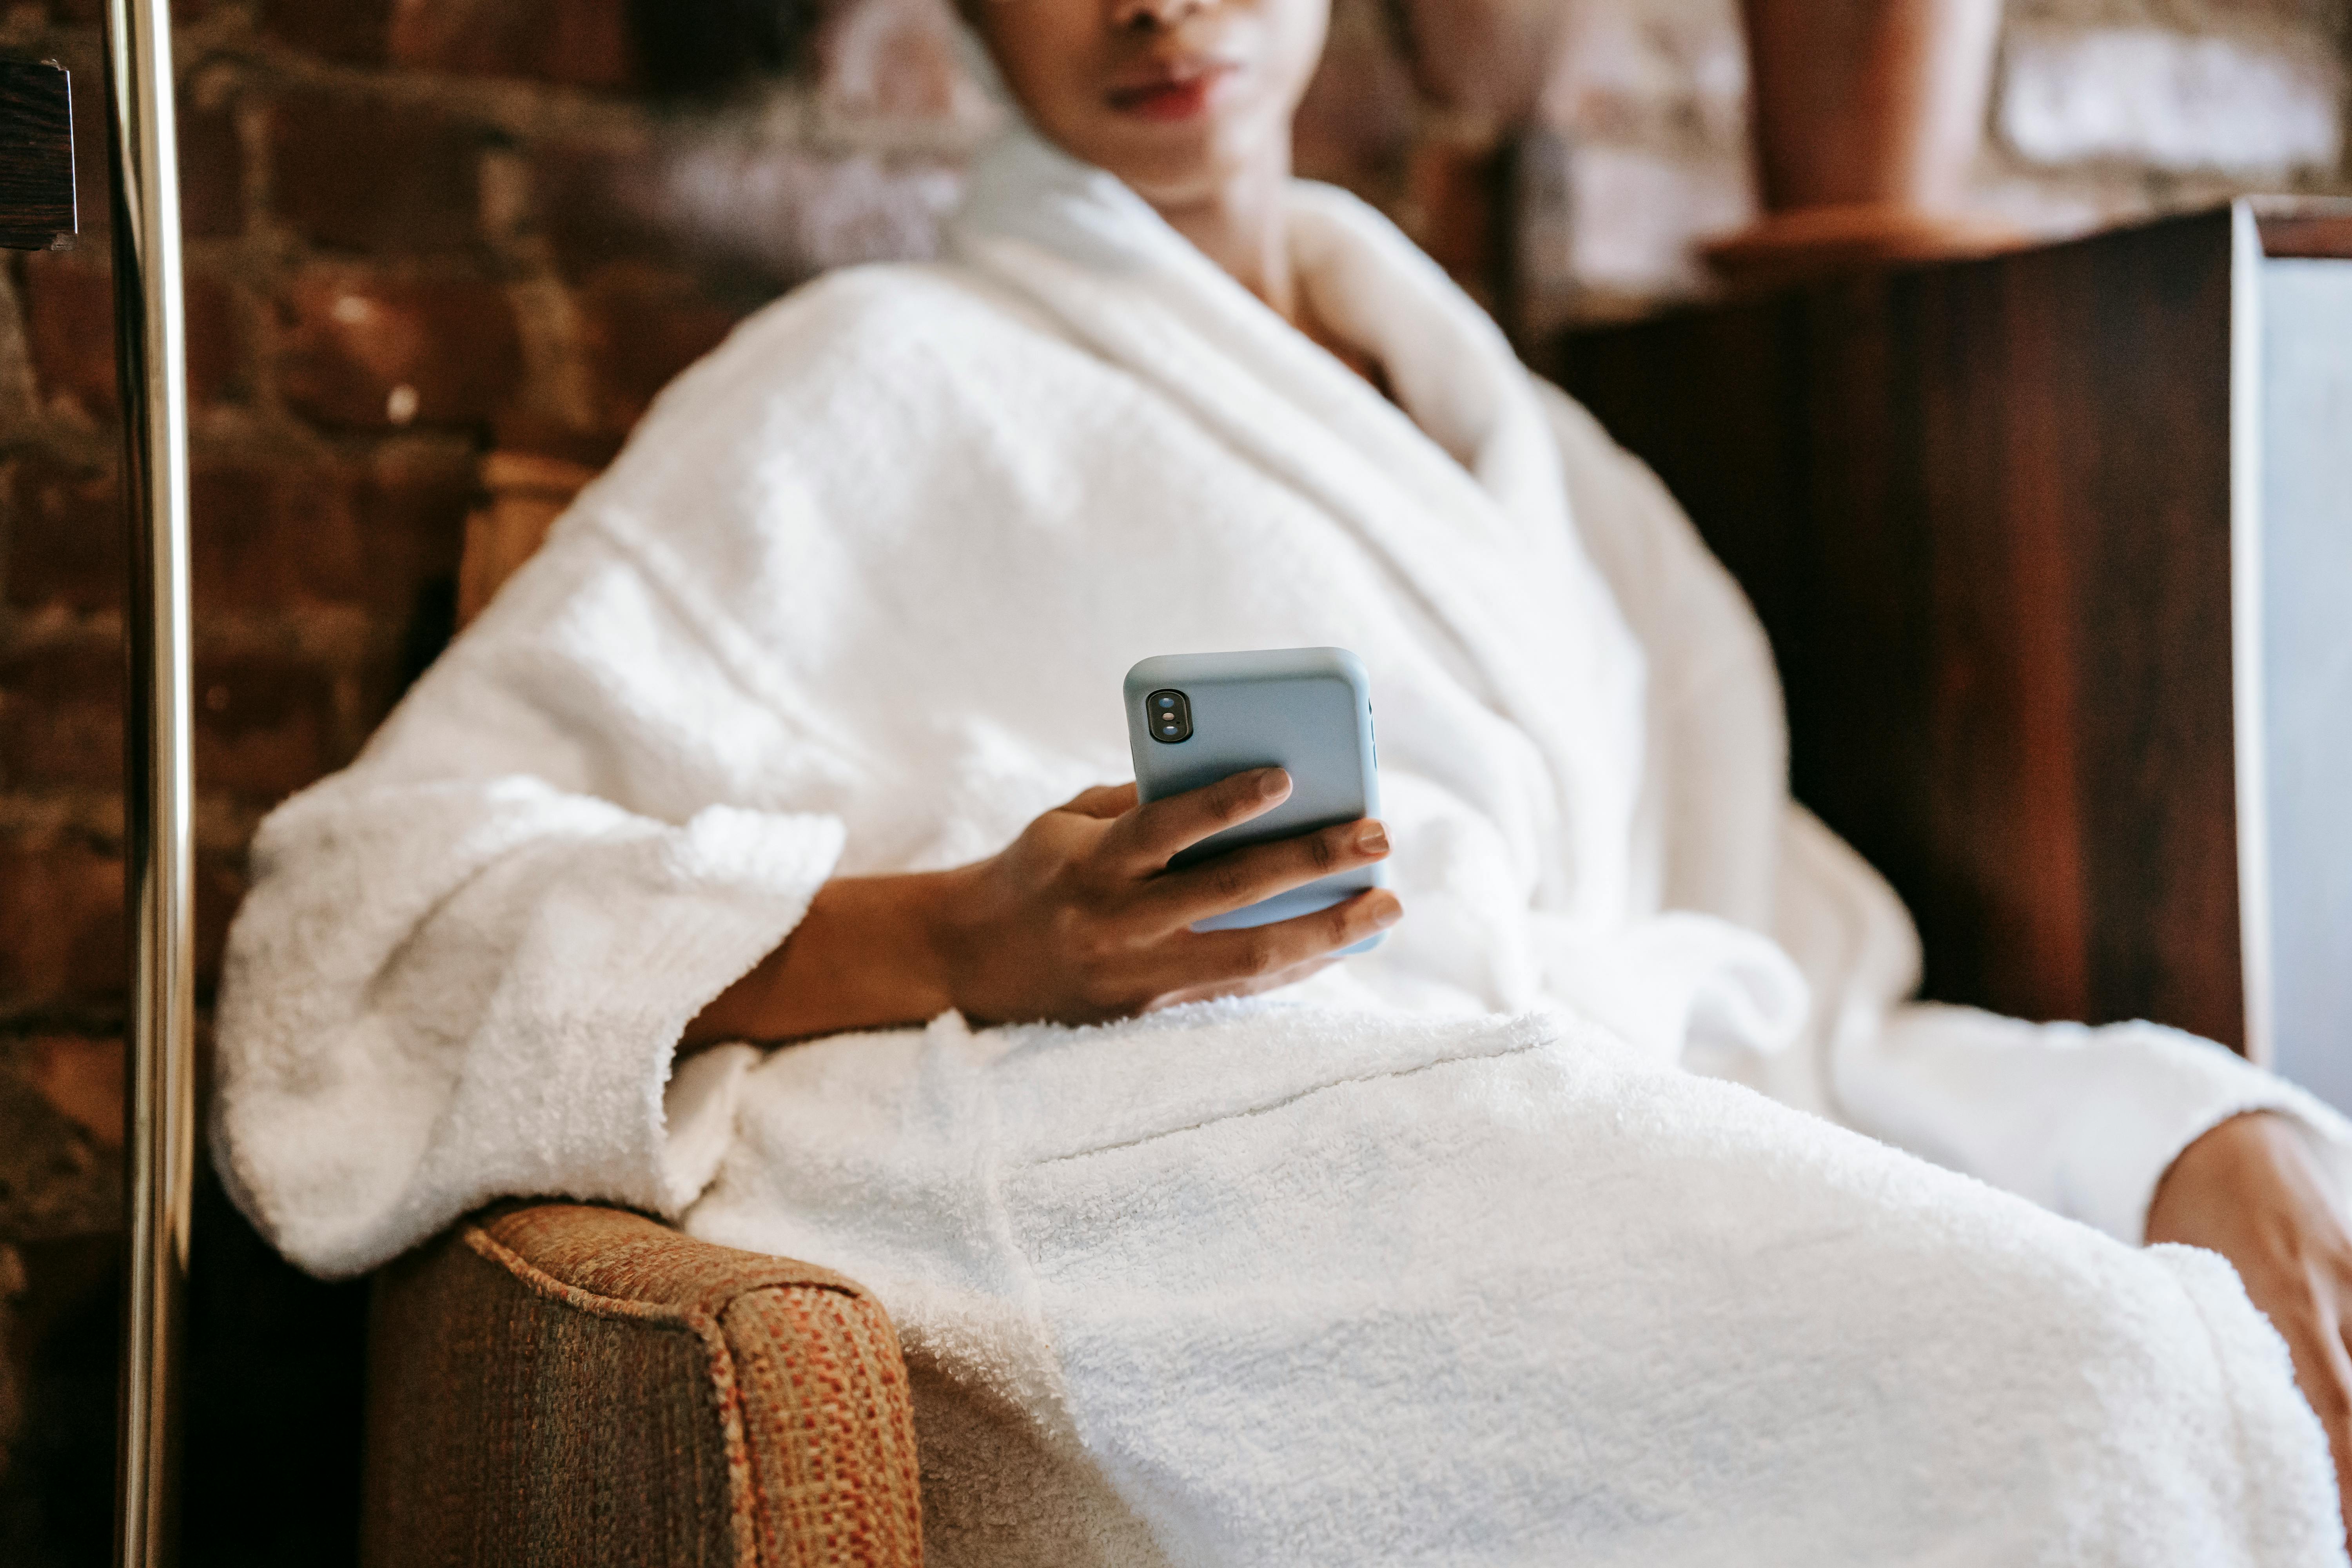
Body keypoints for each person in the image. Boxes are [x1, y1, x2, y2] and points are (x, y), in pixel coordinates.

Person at [214, 0, 2352, 1559]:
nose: (1155, 4)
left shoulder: (1546, 465)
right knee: (2092, 1383)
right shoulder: (866, 379)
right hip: (1240, 1157)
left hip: (1571, 1130)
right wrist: (964, 929)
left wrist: (2184, 1122)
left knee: (2159, 1327)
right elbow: (369, 913)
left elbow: (1779, 979)